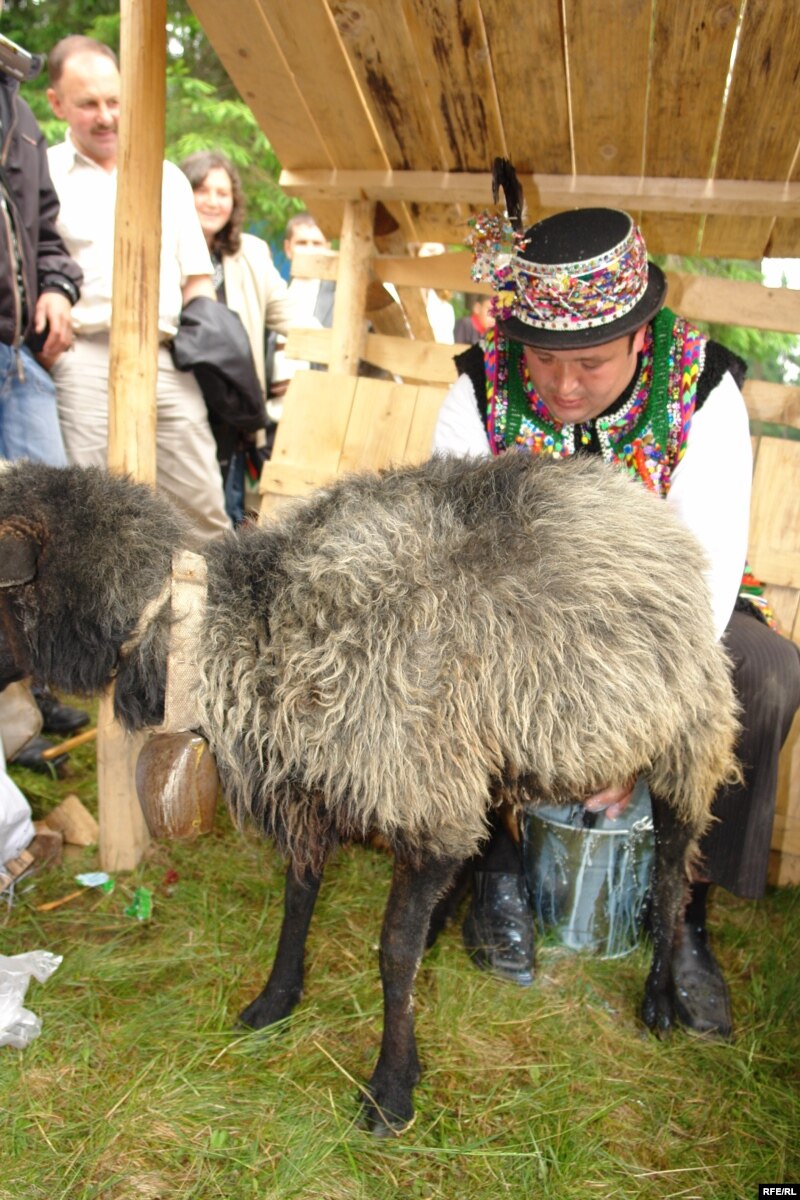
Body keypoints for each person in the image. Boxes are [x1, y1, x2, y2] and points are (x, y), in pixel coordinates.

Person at [433, 197, 800, 1037]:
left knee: (767, 674)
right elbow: (451, 556)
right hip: (517, 613)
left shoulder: (702, 390)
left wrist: (630, 734)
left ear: (639, 337)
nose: (563, 387)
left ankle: (684, 909)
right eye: (543, 360)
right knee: (444, 652)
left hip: (662, 620)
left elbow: (704, 579)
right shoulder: (480, 386)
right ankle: (494, 866)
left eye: (591, 364)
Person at [45, 35, 230, 546]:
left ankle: (214, 596)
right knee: (91, 515)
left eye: (114, 101)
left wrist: (207, 347)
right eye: (88, 104)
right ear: (57, 103)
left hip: (165, 357)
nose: (106, 117)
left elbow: (197, 280)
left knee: (204, 507)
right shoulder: (45, 173)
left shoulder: (167, 177)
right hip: (83, 357)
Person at [0, 13, 88, 770]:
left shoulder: (16, 104)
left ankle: (30, 694)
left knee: (46, 532)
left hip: (19, 359)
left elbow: (47, 234)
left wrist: (56, 287)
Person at [180, 149, 296, 524]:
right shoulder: (163, 246)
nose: (213, 201)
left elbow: (289, 314)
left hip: (230, 406)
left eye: (222, 193)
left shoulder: (251, 253)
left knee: (226, 511)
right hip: (180, 395)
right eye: (202, 190)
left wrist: (332, 343)